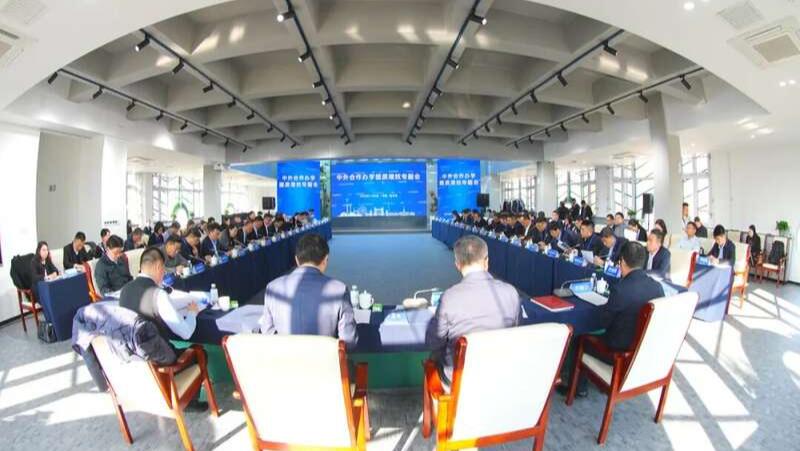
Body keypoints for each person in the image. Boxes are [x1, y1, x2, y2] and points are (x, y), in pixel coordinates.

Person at [560, 241, 665, 397]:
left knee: (578, 337)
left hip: (618, 350)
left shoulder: (621, 289)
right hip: (643, 348)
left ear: (622, 262)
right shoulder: (657, 287)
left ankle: (577, 388)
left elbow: (603, 322)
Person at [426, 235, 522, 385]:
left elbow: (433, 342)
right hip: (501, 374)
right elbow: (515, 331)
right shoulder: (511, 292)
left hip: (461, 380)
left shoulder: (450, 297)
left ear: (458, 265)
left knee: (433, 360)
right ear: (487, 261)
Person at [260, 233, 357, 346]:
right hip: (324, 357)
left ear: (296, 259)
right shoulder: (339, 289)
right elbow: (349, 341)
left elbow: (267, 332)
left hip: (285, 356)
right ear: (326, 259)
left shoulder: (272, 287)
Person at [119, 247, 199, 340]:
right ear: (158, 267)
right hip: (156, 347)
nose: (164, 273)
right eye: (163, 269)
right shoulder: (159, 295)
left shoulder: (124, 289)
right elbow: (186, 332)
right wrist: (192, 313)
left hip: (131, 346)